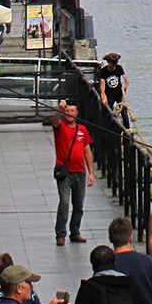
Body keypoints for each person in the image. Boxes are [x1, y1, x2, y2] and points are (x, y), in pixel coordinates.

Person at [50, 100, 95, 246]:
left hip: (80, 172)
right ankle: (60, 234)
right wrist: (59, 109)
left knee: (78, 204)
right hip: (64, 171)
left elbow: (87, 152)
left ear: (77, 114)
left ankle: (75, 232)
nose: (69, 114)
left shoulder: (82, 129)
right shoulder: (60, 127)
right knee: (64, 202)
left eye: (72, 111)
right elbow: (55, 121)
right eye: (67, 111)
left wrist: (91, 173)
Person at [98, 56, 129, 126]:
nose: (114, 65)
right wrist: (104, 96)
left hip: (119, 94)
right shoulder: (104, 71)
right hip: (109, 94)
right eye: (113, 63)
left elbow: (126, 81)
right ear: (109, 62)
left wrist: (125, 86)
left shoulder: (119, 68)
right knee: (108, 112)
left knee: (124, 112)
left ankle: (127, 129)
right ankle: (108, 127)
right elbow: (102, 85)